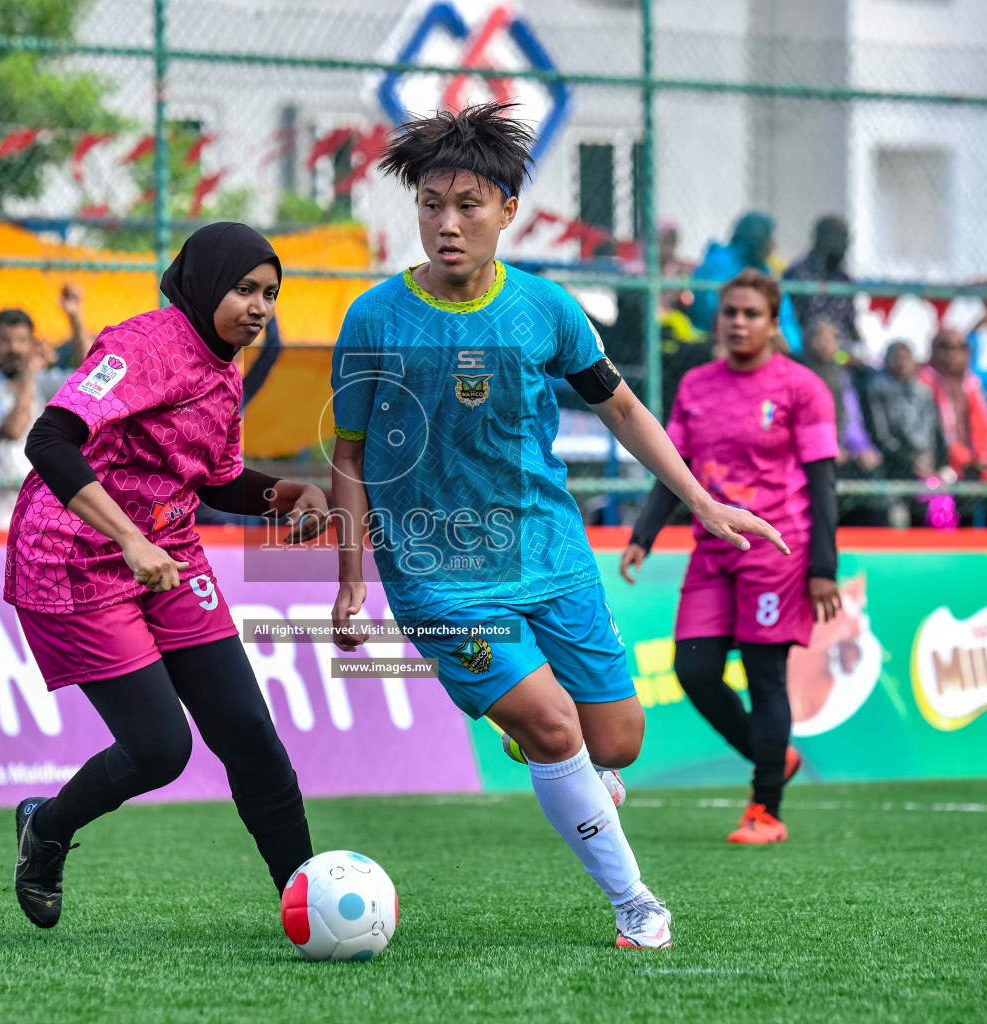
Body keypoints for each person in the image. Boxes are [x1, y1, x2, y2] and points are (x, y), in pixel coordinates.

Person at [327, 102, 785, 950]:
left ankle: (556, 755)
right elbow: (350, 457)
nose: (447, 223)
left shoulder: (547, 309)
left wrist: (702, 501)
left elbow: (624, 410)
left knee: (619, 740)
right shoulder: (375, 320)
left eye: (468, 205)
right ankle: (637, 905)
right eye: (431, 204)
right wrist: (353, 579)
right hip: (436, 573)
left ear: (508, 210)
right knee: (552, 725)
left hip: (550, 551)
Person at [7, 223, 329, 929]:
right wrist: (125, 538)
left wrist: (287, 494)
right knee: (161, 749)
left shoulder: (224, 370)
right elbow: (49, 439)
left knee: (247, 729)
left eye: (271, 294)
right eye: (245, 288)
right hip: (74, 557)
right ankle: (48, 829)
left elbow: (217, 481)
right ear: (206, 281)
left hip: (166, 551)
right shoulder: (143, 345)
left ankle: (309, 901)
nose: (259, 306)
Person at [623, 270, 840, 846]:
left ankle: (765, 810)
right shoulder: (695, 385)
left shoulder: (803, 388)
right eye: (731, 313)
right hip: (712, 552)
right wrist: (643, 535)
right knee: (693, 670)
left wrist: (823, 568)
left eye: (752, 314)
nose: (739, 323)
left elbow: (823, 484)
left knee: (766, 676)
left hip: (776, 551)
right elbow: (676, 469)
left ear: (773, 323)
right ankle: (772, 756)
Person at [0, 285, 89, 528]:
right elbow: (13, 430)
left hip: (34, 513)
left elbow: (88, 370)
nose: (14, 349)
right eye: (6, 340)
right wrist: (30, 371)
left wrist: (75, 317)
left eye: (22, 341)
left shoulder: (36, 380)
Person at [687, 210, 802, 352]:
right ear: (757, 238)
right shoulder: (721, 264)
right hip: (714, 343)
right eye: (768, 239)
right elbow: (711, 310)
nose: (773, 246)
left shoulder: (763, 268)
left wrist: (791, 346)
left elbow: (784, 315)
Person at [799, 320, 880, 474]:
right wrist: (829, 445)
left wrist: (862, 448)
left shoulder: (843, 376)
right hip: (812, 447)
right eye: (819, 337)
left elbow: (852, 419)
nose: (825, 343)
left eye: (831, 338)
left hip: (843, 446)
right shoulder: (800, 374)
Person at [919, 328, 987, 479]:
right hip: (935, 460)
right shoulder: (923, 381)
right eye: (945, 347)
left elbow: (982, 424)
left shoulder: (971, 383)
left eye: (959, 348)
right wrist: (962, 456)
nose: (952, 354)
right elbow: (933, 428)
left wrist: (981, 455)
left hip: (970, 463)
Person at [866, 341, 942, 481]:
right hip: (893, 463)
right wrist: (908, 461)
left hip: (926, 461)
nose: (902, 363)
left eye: (905, 357)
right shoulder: (877, 388)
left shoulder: (924, 391)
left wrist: (930, 458)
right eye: (897, 357)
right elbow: (882, 434)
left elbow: (932, 430)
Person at [784, 215, 859, 348]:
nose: (845, 245)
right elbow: (788, 322)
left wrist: (861, 350)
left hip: (842, 353)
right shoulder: (797, 274)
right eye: (841, 239)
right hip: (808, 351)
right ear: (823, 240)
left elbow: (851, 323)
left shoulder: (843, 277)